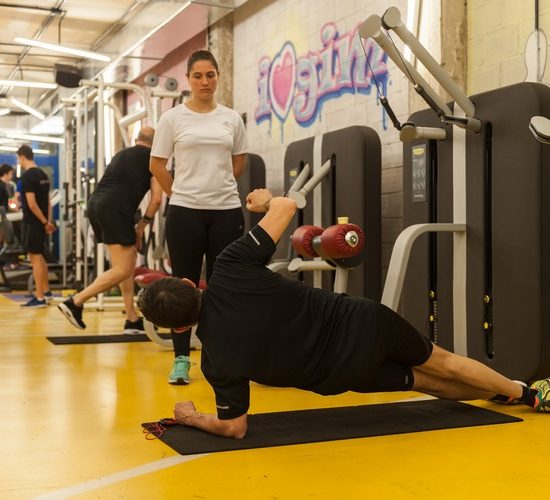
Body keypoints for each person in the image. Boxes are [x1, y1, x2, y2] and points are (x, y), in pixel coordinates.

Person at [138, 188, 550, 439]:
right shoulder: (229, 267)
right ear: (192, 284)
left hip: (345, 372)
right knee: (443, 360)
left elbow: (234, 427)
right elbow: (286, 205)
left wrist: (190, 418)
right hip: (364, 321)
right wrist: (263, 201)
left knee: (430, 384)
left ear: (178, 327)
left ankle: (501, 391)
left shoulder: (216, 362)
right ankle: (526, 393)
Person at [149, 49, 248, 385]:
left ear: (218, 76)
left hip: (226, 210)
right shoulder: (173, 119)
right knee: (183, 287)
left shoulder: (231, 118)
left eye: (210, 75)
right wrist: (179, 193)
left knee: (225, 286)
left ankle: (220, 357)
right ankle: (181, 360)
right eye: (197, 76)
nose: (205, 82)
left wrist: (218, 185)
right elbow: (157, 164)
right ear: (189, 79)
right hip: (185, 212)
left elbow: (239, 161)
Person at [58, 126, 162, 333]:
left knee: (125, 265)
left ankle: (132, 319)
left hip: (96, 205)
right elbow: (157, 200)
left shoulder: (122, 154)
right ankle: (76, 301)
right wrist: (141, 226)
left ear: (137, 139)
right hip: (116, 209)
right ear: (157, 142)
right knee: (123, 269)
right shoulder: (154, 158)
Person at [17, 145, 56, 307]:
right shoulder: (42, 174)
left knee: (35, 259)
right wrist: (48, 221)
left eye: (19, 159)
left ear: (23, 157)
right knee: (39, 257)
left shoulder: (28, 176)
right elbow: (47, 201)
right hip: (40, 222)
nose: (19, 162)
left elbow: (32, 204)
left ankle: (39, 297)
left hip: (33, 222)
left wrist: (44, 222)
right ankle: (46, 292)